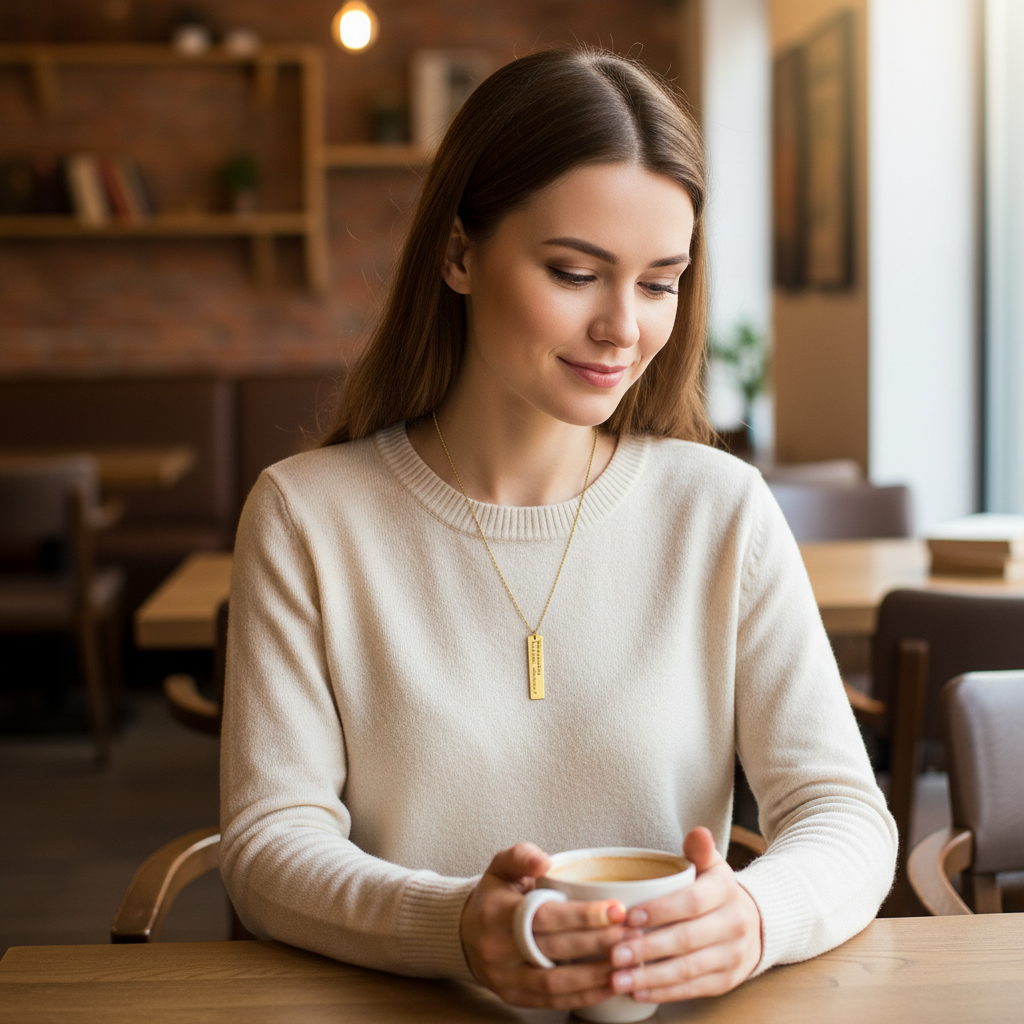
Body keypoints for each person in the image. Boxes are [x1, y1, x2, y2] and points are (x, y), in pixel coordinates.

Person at [220, 46, 896, 1014]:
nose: (623, 326)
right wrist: (455, 924)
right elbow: (266, 844)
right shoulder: (304, 516)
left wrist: (752, 917)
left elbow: (844, 816)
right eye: (576, 272)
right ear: (458, 254)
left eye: (660, 281)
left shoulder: (721, 509)